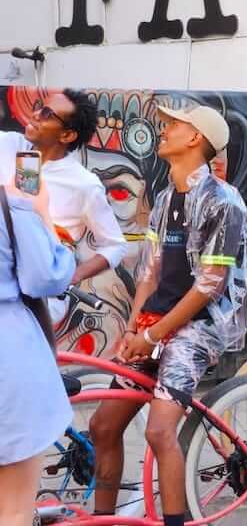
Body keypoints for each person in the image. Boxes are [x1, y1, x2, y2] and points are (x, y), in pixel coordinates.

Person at [88, 104, 247, 525]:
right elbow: (149, 271)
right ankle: (100, 520)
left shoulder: (224, 202)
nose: (164, 130)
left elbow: (208, 286)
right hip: (156, 324)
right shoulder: (163, 198)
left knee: (160, 431)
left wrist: (155, 334)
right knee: (104, 426)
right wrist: (133, 327)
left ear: (196, 138)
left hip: (199, 328)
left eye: (174, 125)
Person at [0, 90, 126, 318]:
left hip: (39, 298)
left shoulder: (84, 184)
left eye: (47, 113)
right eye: (39, 106)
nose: (36, 113)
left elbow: (115, 245)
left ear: (67, 135)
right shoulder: (6, 144)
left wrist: (71, 276)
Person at [0, 177, 76, 526]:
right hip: (9, 359)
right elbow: (45, 277)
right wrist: (41, 213)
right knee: (13, 511)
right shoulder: (12, 205)